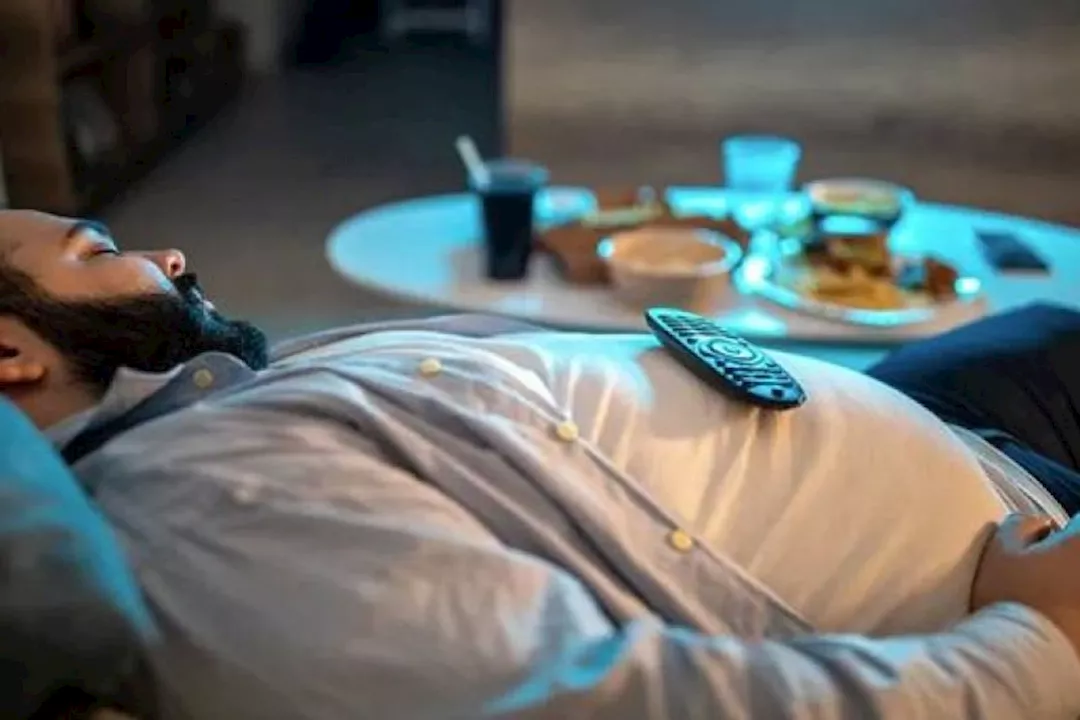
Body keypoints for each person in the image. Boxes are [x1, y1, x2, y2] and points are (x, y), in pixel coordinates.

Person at [2, 208, 1080, 719]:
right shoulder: (195, 505)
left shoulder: (222, 400)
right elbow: (610, 706)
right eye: (98, 250)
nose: (172, 253)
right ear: (9, 357)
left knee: (1040, 326)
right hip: (1017, 537)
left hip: (939, 423)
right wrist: (1041, 642)